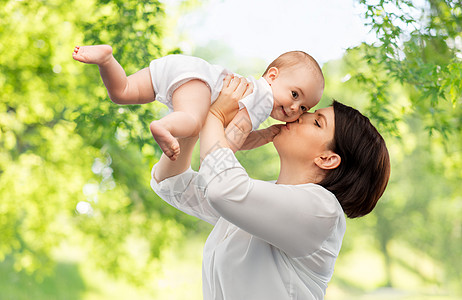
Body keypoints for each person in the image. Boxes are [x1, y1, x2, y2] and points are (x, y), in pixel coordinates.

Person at [151, 75, 391, 300]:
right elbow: (173, 185)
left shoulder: (322, 211)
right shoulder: (262, 197)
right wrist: (197, 116)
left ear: (327, 159)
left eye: (317, 122)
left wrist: (215, 115)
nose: (299, 115)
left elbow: (223, 190)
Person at [72, 45, 324, 161]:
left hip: (180, 67)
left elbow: (237, 135)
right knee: (192, 123)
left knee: (122, 92)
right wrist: (222, 161)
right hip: (198, 83)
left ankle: (106, 59)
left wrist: (267, 135)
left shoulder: (255, 106)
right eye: (294, 95)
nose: (294, 109)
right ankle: (163, 127)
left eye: (303, 108)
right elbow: (225, 148)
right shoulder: (262, 96)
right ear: (272, 76)